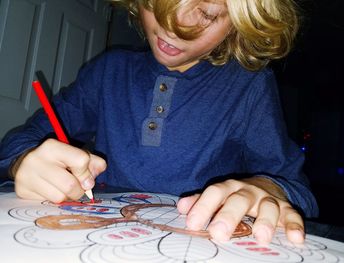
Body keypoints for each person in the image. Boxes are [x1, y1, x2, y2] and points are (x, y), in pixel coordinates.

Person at [0, 0, 318, 245]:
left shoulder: (250, 84)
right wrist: (22, 161)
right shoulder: (108, 70)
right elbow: (20, 140)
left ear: (238, 23)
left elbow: (298, 190)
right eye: (157, 4)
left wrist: (267, 189)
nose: (173, 28)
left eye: (206, 13)